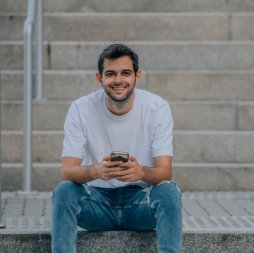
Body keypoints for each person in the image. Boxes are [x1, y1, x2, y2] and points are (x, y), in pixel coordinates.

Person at [51, 44, 183, 253]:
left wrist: (141, 173)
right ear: (99, 78)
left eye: (126, 73)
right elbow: (67, 171)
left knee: (169, 191)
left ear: (137, 77)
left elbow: (165, 172)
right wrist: (96, 172)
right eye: (111, 74)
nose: (118, 80)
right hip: (96, 204)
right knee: (64, 191)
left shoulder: (157, 108)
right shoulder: (80, 108)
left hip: (140, 204)